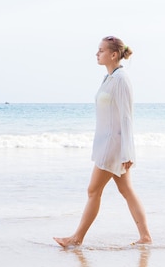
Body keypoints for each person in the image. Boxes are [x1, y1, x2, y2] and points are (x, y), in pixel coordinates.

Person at [54, 36, 152, 248]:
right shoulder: (109, 78)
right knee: (126, 190)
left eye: (100, 50)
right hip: (107, 143)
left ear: (113, 54)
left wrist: (128, 152)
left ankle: (76, 238)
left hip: (114, 145)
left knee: (93, 190)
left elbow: (126, 117)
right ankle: (145, 237)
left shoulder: (120, 79)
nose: (97, 54)